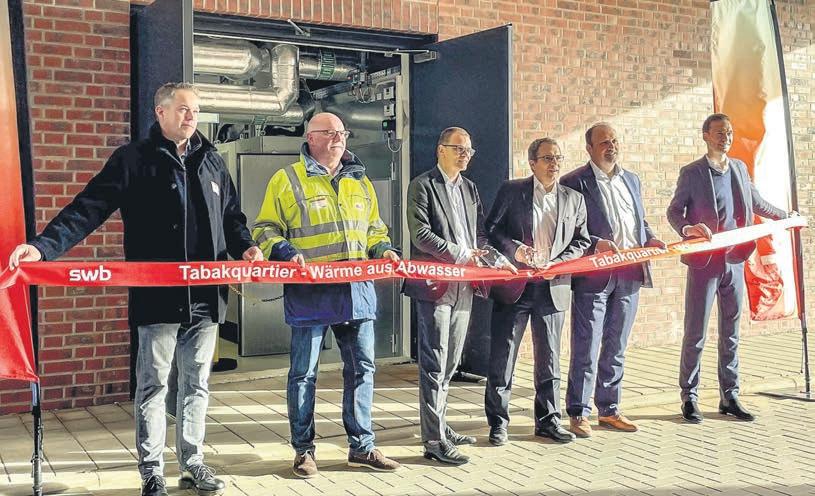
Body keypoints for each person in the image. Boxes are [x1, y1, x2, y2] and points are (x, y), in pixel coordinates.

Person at [8, 82, 263, 496]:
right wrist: (42, 247)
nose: (191, 117)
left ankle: (193, 462)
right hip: (158, 299)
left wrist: (247, 247)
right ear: (160, 112)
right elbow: (87, 208)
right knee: (154, 387)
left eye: (196, 110)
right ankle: (152, 471)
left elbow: (232, 218)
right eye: (183, 109)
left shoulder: (213, 161)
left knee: (197, 384)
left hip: (206, 297)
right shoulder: (132, 159)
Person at [252, 112, 401, 478]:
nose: (338, 138)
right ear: (311, 138)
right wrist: (285, 251)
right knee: (304, 374)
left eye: (342, 132)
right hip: (311, 294)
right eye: (330, 132)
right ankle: (303, 451)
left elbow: (375, 229)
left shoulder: (360, 180)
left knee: (362, 369)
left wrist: (384, 249)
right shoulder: (287, 179)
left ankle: (362, 447)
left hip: (357, 292)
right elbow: (265, 229)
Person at [667, 113, 791, 424]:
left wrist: (786, 217)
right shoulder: (692, 173)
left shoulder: (739, 168)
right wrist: (687, 229)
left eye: (730, 133)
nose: (726, 138)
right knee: (695, 332)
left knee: (731, 332)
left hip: (735, 261)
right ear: (706, 136)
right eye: (720, 133)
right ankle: (689, 396)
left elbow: (757, 203)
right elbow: (674, 211)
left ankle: (730, 395)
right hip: (704, 264)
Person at [403, 127, 517, 465]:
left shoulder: (469, 188)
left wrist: (495, 259)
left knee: (451, 362)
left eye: (469, 150)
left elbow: (479, 234)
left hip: (465, 285)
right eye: (459, 149)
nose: (465, 155)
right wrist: (462, 254)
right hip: (435, 286)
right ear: (441, 150)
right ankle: (433, 441)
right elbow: (420, 234)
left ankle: (441, 424)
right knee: (434, 363)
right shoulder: (422, 185)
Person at [560, 123, 666, 439]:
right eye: (604, 142)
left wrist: (651, 238)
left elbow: (637, 219)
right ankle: (579, 412)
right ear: (589, 148)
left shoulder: (631, 179)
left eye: (615, 141)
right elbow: (568, 229)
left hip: (630, 271)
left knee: (617, 343)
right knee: (587, 344)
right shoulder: (574, 182)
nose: (611, 146)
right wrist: (595, 244)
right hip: (594, 274)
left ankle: (609, 409)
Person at [484, 137, 590, 446]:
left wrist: (559, 263)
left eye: (557, 158)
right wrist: (516, 250)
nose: (554, 164)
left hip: (553, 287)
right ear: (532, 163)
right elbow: (492, 229)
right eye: (547, 158)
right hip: (515, 287)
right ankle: (498, 423)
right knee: (503, 358)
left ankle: (548, 421)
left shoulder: (574, 199)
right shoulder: (511, 191)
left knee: (550, 359)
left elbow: (582, 241)